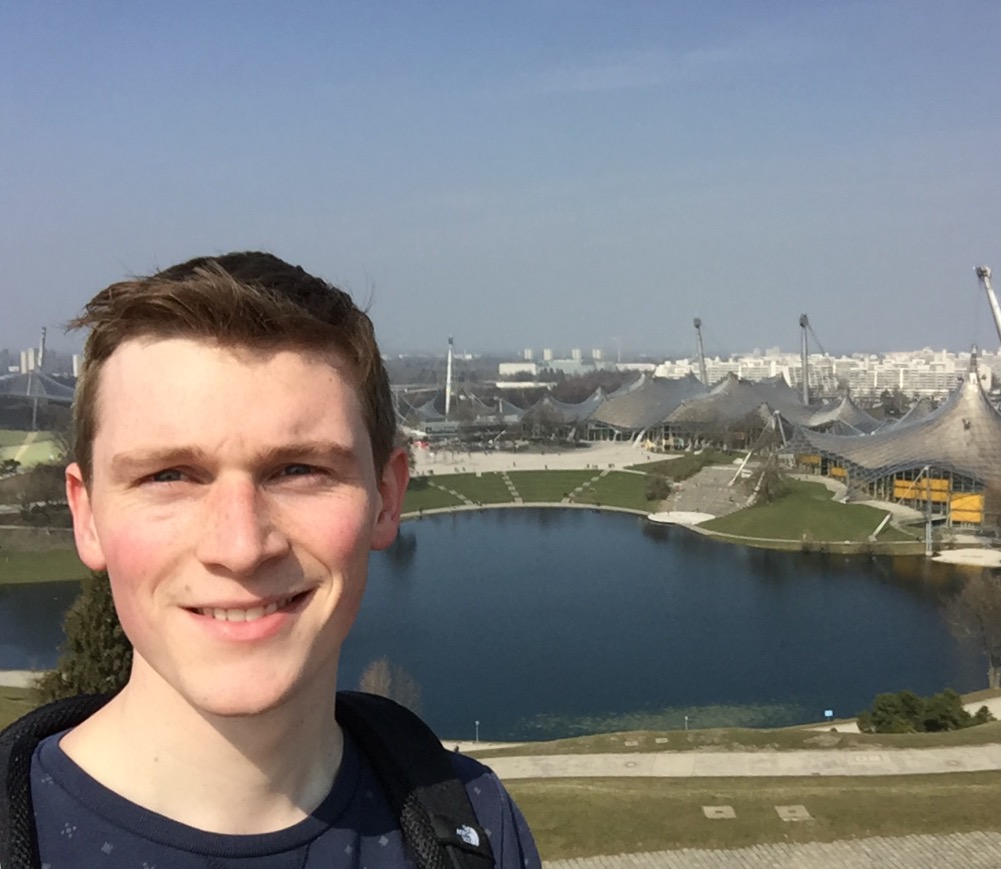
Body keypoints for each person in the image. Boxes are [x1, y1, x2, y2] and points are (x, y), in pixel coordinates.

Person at [0, 252, 540, 867]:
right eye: (169, 475)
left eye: (298, 470)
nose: (241, 547)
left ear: (387, 499)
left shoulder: (479, 826)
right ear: (87, 515)